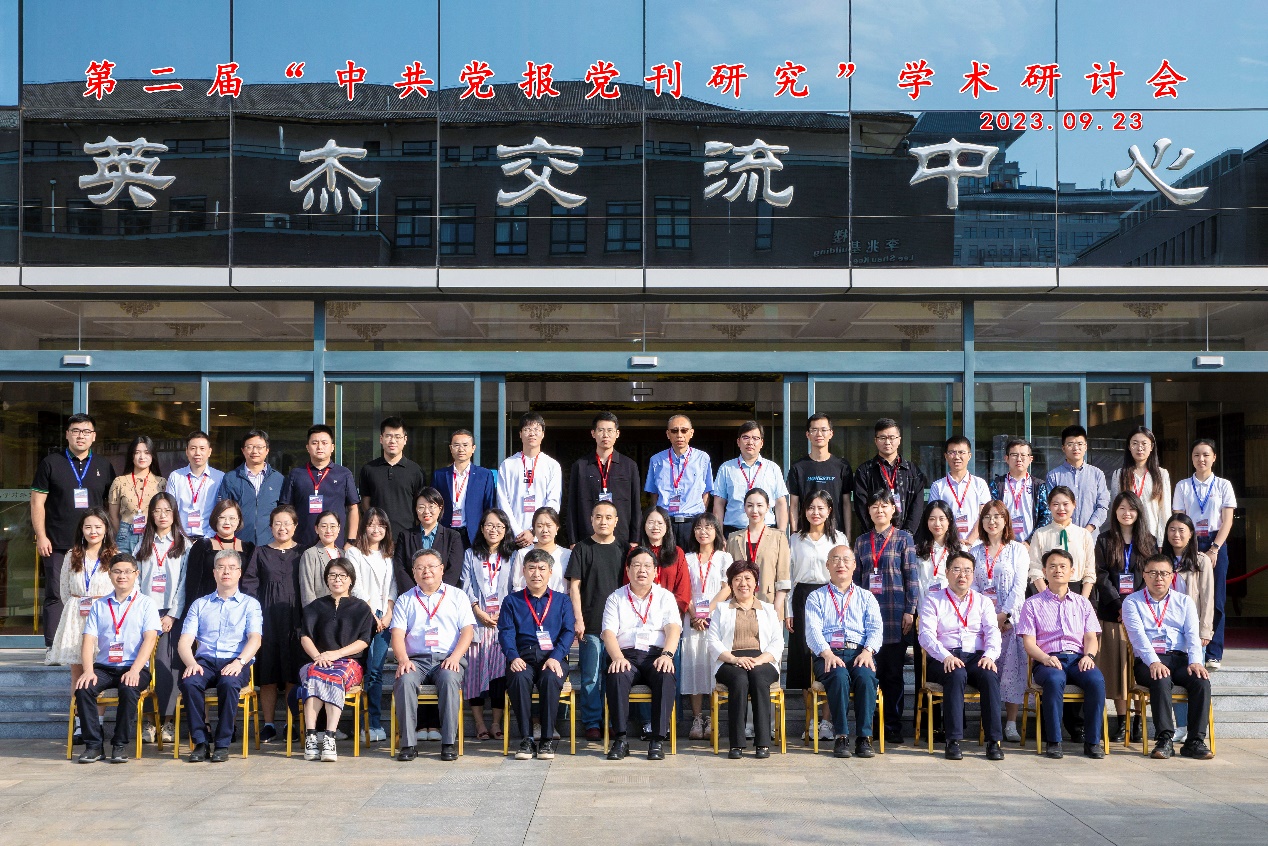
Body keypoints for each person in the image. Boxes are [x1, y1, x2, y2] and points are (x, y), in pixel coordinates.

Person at [32, 413, 117, 646]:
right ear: (67, 434)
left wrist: (110, 539)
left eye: (86, 431)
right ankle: (53, 647)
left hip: (94, 544)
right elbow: (37, 503)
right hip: (57, 541)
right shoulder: (51, 463)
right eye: (76, 431)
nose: (81, 436)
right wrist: (41, 536)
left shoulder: (104, 466)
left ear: (94, 436)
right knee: (56, 594)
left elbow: (111, 507)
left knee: (94, 594)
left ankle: (93, 645)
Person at [1122, 552, 1214, 760]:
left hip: (1179, 658)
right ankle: (1164, 739)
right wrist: (1154, 662)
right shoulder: (1132, 602)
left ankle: (1195, 741)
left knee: (1201, 681)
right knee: (1160, 677)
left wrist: (1196, 662)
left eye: (1164, 573)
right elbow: (1138, 638)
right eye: (1153, 573)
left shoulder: (1184, 601)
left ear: (1172, 576)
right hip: (1148, 661)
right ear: (1144, 575)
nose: (1159, 578)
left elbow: (1192, 635)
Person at [1017, 549, 1106, 759]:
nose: (1058, 570)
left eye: (1063, 566)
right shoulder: (1032, 604)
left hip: (1078, 659)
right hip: (1047, 660)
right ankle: (1054, 741)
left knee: (1096, 680)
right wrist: (1045, 658)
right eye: (1053, 566)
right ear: (1044, 571)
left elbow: (1091, 638)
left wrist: (1089, 657)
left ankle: (1093, 742)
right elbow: (1028, 642)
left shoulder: (1083, 603)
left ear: (1072, 572)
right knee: (1055, 679)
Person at [74, 552, 162, 764]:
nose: (122, 576)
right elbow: (88, 640)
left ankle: (119, 745)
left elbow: (150, 639)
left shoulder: (146, 604)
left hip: (135, 667)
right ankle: (94, 746)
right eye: (117, 572)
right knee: (84, 688)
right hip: (104, 667)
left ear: (136, 574)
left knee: (128, 689)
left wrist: (135, 670)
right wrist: (88, 670)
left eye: (127, 572)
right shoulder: (100, 605)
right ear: (110, 574)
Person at [176, 549, 262, 763]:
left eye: (232, 568)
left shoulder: (250, 604)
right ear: (214, 572)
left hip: (235, 660)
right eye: (221, 567)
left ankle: (223, 744)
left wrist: (240, 662)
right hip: (204, 662)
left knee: (229, 683)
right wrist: (191, 663)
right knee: (189, 682)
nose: (226, 572)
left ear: (239, 572)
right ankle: (200, 741)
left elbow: (255, 639)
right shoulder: (200, 604)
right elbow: (184, 641)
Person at [391, 548, 476, 762]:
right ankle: (408, 744)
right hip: (415, 660)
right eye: (420, 567)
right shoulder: (405, 599)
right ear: (413, 572)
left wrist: (455, 657)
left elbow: (467, 631)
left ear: (441, 569)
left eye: (431, 566)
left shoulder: (457, 596)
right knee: (404, 680)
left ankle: (448, 743)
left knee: (449, 680)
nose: (426, 571)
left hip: (448, 658)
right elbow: (397, 634)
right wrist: (403, 660)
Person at [918, 550, 1004, 760]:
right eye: (956, 569)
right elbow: (926, 635)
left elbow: (993, 631)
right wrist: (945, 656)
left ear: (973, 574)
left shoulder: (983, 601)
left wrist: (990, 656)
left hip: (975, 657)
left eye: (967, 570)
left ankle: (994, 742)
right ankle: (953, 740)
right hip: (943, 657)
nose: (962, 575)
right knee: (956, 674)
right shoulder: (933, 600)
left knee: (990, 676)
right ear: (947, 572)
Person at [602, 546, 682, 761]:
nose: (642, 570)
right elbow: (608, 633)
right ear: (627, 570)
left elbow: (673, 628)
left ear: (656, 571)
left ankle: (657, 740)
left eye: (647, 566)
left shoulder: (665, 597)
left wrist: (667, 655)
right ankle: (620, 739)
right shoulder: (616, 597)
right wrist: (617, 658)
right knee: (616, 675)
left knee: (666, 675)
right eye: (636, 565)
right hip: (626, 656)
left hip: (656, 655)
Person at [852, 489, 918, 744]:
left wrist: (910, 610)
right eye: (874, 506)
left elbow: (911, 578)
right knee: (870, 674)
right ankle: (870, 725)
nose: (879, 510)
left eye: (884, 506)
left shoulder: (904, 539)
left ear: (893, 510)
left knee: (893, 674)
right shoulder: (861, 542)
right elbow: (856, 582)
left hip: (894, 615)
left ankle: (892, 725)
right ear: (868, 511)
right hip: (868, 619)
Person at [804, 545, 882, 758]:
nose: (841, 564)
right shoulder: (816, 597)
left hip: (859, 653)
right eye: (835, 559)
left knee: (866, 677)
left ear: (854, 565)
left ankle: (864, 737)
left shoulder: (867, 597)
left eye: (846, 560)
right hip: (828, 654)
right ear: (827, 565)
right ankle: (841, 736)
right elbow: (812, 630)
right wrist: (827, 653)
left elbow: (876, 629)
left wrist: (868, 651)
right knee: (838, 677)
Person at [499, 548, 577, 760]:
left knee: (550, 679)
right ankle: (526, 739)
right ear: (523, 571)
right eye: (531, 568)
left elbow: (568, 632)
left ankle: (546, 740)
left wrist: (556, 657)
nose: (536, 574)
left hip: (552, 657)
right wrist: (513, 656)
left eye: (542, 568)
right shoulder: (512, 601)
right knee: (518, 678)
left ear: (550, 572)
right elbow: (506, 632)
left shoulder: (562, 601)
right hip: (522, 657)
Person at [46, 509, 115, 744]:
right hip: (76, 617)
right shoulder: (72, 555)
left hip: (103, 617)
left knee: (97, 672)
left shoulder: (114, 555)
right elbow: (64, 590)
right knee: (77, 674)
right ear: (81, 530)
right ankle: (79, 725)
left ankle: (97, 724)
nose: (93, 531)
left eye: (98, 527)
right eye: (88, 527)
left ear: (106, 529)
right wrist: (77, 608)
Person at [1094, 491, 1158, 743]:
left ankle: (1139, 721)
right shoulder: (1104, 540)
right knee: (1118, 670)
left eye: (1131, 509)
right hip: (1112, 613)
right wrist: (1120, 605)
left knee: (1136, 670)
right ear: (1115, 512)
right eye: (1121, 508)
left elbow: (1152, 575)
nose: (1126, 513)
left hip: (1141, 613)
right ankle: (1122, 722)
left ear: (1138, 512)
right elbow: (1101, 576)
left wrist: (1132, 606)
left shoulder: (1149, 541)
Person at [297, 558, 375, 762]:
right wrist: (318, 656)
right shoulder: (315, 606)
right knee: (313, 676)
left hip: (349, 662)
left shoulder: (361, 608)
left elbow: (364, 641)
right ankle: (312, 736)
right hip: (318, 660)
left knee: (334, 677)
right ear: (326, 579)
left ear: (351, 579)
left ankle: (329, 737)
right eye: (332, 575)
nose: (337, 579)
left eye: (342, 575)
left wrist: (336, 654)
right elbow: (305, 636)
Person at [787, 490, 849, 740]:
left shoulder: (839, 538)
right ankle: (810, 721)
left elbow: (845, 573)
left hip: (830, 597)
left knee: (829, 656)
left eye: (821, 508)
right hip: (802, 597)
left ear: (830, 510)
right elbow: (789, 577)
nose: (815, 513)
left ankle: (827, 721)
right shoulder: (795, 539)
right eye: (811, 508)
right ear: (804, 511)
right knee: (804, 660)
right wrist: (788, 610)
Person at [707, 559, 785, 759]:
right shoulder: (721, 609)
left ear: (755, 582)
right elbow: (713, 641)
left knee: (759, 678)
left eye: (748, 578)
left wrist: (759, 660)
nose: (743, 583)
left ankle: (763, 742)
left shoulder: (768, 609)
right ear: (731, 584)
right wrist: (734, 659)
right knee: (740, 680)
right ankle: (736, 743)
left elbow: (777, 642)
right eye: (737, 579)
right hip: (730, 660)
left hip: (762, 660)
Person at [241, 505, 304, 743]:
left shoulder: (303, 552)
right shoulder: (260, 552)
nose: (282, 528)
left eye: (287, 523)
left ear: (295, 526)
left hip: (295, 619)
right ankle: (268, 724)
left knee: (291, 673)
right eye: (277, 523)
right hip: (266, 620)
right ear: (270, 527)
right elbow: (250, 585)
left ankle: (290, 722)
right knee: (267, 674)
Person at [1172, 438, 1236, 670]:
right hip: (1189, 541)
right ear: (1191, 458)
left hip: (1215, 540)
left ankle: (1214, 652)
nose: (1201, 459)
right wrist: (1186, 547)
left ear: (1214, 458)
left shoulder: (1223, 485)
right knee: (1187, 595)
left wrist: (1214, 548)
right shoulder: (1183, 486)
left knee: (1215, 598)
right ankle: (1186, 647)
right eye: (1197, 455)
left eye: (1206, 455)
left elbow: (1227, 521)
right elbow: (1178, 518)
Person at [565, 501, 626, 742]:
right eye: (598, 517)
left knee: (614, 675)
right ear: (591, 519)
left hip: (618, 628)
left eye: (608, 517)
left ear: (616, 521)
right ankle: (592, 722)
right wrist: (578, 619)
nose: (603, 521)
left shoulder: (623, 549)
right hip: (590, 624)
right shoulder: (582, 548)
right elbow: (574, 587)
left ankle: (611, 721)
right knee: (591, 676)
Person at [969, 501, 1028, 744]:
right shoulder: (974, 552)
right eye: (987, 517)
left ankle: (1011, 723)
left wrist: (1004, 615)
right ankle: (989, 721)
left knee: (1012, 671)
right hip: (982, 622)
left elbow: (1019, 587)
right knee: (989, 671)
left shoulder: (1017, 550)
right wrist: (988, 619)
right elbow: (972, 587)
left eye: (997, 516)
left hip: (1011, 621)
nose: (992, 521)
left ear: (1006, 521)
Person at [135, 491, 190, 745]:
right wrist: (143, 613)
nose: (162, 515)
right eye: (157, 511)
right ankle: (148, 721)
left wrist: (172, 615)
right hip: (145, 613)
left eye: (167, 510)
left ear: (175, 514)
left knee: (168, 666)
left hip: (171, 615)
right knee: (145, 665)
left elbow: (184, 583)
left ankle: (168, 721)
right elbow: (135, 580)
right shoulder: (142, 543)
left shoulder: (184, 545)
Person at [461, 508, 518, 741]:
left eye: (499, 526)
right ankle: (479, 723)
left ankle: (495, 723)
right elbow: (465, 584)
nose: (494, 530)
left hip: (502, 621)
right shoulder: (470, 554)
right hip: (476, 621)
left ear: (505, 530)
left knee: (498, 674)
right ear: (482, 528)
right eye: (489, 525)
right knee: (473, 673)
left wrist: (503, 613)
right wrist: (477, 610)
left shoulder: (513, 556)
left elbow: (516, 587)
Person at [346, 507, 398, 743]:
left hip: (384, 615)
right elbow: (355, 586)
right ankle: (359, 724)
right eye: (371, 524)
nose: (376, 529)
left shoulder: (389, 554)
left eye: (381, 525)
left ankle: (374, 723)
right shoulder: (354, 553)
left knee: (376, 671)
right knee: (360, 670)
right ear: (363, 527)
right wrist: (373, 616)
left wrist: (388, 612)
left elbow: (393, 586)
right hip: (361, 615)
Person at [682, 513, 733, 740]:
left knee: (714, 665)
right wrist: (695, 614)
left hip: (716, 617)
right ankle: (696, 718)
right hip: (691, 618)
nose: (703, 531)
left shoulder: (724, 557)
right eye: (699, 527)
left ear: (716, 531)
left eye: (708, 527)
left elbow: (727, 588)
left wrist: (706, 612)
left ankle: (713, 717)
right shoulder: (687, 558)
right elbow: (683, 589)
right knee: (694, 664)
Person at [566, 412, 642, 548]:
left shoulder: (629, 466)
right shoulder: (580, 466)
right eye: (601, 430)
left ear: (617, 434)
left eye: (610, 430)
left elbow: (636, 505)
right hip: (587, 538)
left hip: (621, 538)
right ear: (593, 433)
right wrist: (573, 540)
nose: (605, 435)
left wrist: (635, 539)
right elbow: (572, 505)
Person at [280, 424, 360, 548]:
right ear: (307, 447)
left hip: (335, 545)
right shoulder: (296, 474)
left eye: (324, 443)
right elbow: (286, 509)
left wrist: (351, 541)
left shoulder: (344, 474)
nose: (319, 447)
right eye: (314, 443)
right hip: (301, 544)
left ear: (332, 447)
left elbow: (353, 508)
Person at [645, 414, 715, 548]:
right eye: (674, 431)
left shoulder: (703, 458)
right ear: (668, 434)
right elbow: (653, 494)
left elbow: (706, 492)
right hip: (666, 523)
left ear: (691, 433)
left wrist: (700, 519)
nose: (679, 435)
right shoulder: (656, 460)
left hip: (693, 522)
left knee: (692, 559)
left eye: (684, 430)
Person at [357, 417, 427, 549]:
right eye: (388, 436)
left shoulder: (415, 470)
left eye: (397, 437)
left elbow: (421, 504)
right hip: (377, 539)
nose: (392, 441)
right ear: (381, 439)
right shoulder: (369, 469)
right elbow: (365, 503)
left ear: (405, 440)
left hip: (408, 537)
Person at [712, 420, 789, 536]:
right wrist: (720, 535)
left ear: (761, 443)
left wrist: (781, 534)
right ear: (738, 442)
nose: (750, 442)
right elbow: (719, 503)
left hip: (767, 531)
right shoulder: (726, 468)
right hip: (734, 531)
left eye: (755, 438)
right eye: (746, 437)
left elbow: (780, 503)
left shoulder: (773, 468)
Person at [497, 413, 562, 549]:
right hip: (513, 538)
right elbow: (502, 501)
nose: (532, 433)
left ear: (543, 434)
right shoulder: (508, 465)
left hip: (542, 536)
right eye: (527, 429)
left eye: (536, 430)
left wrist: (534, 531)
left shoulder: (552, 465)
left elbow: (553, 501)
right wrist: (517, 532)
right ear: (520, 434)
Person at [852, 418, 927, 536]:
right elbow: (861, 506)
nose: (887, 442)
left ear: (899, 440)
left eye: (892, 437)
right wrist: (877, 532)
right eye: (882, 438)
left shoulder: (912, 471)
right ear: (875, 441)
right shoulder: (865, 471)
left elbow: (917, 505)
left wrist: (906, 534)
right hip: (874, 536)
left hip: (906, 537)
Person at [723, 488, 790, 613]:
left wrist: (776, 609)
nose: (754, 510)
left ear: (768, 507)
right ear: (744, 508)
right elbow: (729, 576)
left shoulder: (779, 537)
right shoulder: (733, 538)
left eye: (759, 505)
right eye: (750, 505)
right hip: (739, 604)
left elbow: (783, 576)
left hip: (769, 603)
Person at [787, 412, 853, 536]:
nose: (819, 434)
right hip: (806, 534)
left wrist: (848, 536)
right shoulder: (798, 467)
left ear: (831, 433)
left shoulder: (842, 466)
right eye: (814, 430)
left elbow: (846, 503)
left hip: (835, 533)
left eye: (823, 430)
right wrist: (794, 535)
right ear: (807, 434)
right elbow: (794, 505)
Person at [215, 429, 283, 547]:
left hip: (270, 543)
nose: (254, 451)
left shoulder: (278, 479)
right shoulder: (231, 478)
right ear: (243, 450)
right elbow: (223, 511)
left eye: (259, 447)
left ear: (267, 450)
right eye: (249, 447)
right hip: (238, 542)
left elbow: (283, 511)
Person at [393, 487, 465, 595]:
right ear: (415, 509)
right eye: (421, 507)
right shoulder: (405, 536)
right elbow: (400, 568)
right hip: (412, 597)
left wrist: (436, 594)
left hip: (443, 597)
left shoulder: (453, 537)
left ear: (440, 508)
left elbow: (454, 570)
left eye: (431, 506)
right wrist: (415, 594)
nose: (426, 511)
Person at [1028, 486, 1096, 597]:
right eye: (1056, 504)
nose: (1061, 508)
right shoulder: (1040, 534)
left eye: (1065, 504)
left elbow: (1089, 571)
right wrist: (1048, 597)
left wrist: (1083, 601)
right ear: (1049, 506)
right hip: (1047, 592)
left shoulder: (1084, 534)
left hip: (1079, 592)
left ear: (1074, 504)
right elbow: (1035, 569)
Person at [433, 429, 496, 548]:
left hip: (473, 533)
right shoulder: (440, 475)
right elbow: (434, 504)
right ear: (451, 448)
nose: (461, 449)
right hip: (446, 532)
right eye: (456, 445)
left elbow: (489, 506)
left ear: (473, 448)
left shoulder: (484, 475)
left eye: (465, 445)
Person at [1109, 427, 1171, 545]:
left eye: (1144, 443)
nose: (1139, 447)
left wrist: (1162, 541)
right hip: (1126, 538)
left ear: (1151, 447)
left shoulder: (1161, 474)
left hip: (1151, 536)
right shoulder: (1119, 474)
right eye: (1135, 443)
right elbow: (1115, 508)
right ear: (1129, 447)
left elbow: (1165, 510)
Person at [185, 499, 254, 606]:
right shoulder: (202, 546)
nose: (227, 522)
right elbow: (192, 583)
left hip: (239, 607)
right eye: (222, 517)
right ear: (215, 519)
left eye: (232, 518)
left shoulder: (248, 548)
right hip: (207, 605)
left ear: (239, 520)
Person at [1163, 514, 1215, 651]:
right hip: (1165, 625)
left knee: (1193, 664)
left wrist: (1205, 630)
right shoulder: (1160, 560)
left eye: (1181, 530)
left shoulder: (1201, 560)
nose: (1176, 534)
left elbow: (1207, 597)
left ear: (1191, 534)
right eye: (1172, 529)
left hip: (1191, 626)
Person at [927, 436, 992, 545]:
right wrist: (952, 541)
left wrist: (970, 540)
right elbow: (934, 516)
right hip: (947, 545)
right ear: (946, 456)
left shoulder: (980, 484)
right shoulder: (937, 486)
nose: (957, 457)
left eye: (961, 452)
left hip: (976, 545)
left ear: (969, 456)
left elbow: (985, 514)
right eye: (952, 452)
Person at [1045, 425, 1110, 533]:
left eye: (1080, 444)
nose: (1076, 448)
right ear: (1063, 448)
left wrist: (1087, 531)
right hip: (1061, 536)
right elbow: (1049, 507)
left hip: (1090, 537)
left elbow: (1102, 506)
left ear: (1086, 447)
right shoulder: (1053, 476)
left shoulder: (1097, 474)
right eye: (1070, 444)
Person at [107, 435, 166, 550]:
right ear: (131, 456)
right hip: (125, 534)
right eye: (137, 452)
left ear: (152, 455)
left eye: (146, 452)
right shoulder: (119, 481)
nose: (142, 457)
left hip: (152, 534)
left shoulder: (162, 482)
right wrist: (122, 532)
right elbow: (113, 516)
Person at [632, 506, 692, 618]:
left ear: (667, 526)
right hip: (639, 615)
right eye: (651, 522)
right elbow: (628, 585)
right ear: (644, 525)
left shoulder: (677, 553)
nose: (655, 527)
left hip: (669, 615)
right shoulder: (634, 552)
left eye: (660, 523)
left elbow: (683, 589)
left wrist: (666, 613)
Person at [989, 437, 1051, 544]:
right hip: (1003, 543)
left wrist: (1030, 541)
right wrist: (1002, 540)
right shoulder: (997, 485)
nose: (1019, 459)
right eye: (1014, 455)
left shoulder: (1038, 486)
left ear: (1030, 459)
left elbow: (1046, 516)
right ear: (1006, 458)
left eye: (1023, 455)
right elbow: (991, 514)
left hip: (1031, 545)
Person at [167, 430, 224, 540]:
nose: (197, 453)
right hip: (180, 538)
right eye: (193, 448)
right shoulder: (176, 476)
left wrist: (207, 538)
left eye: (202, 448)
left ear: (209, 452)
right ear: (187, 451)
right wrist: (179, 537)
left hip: (210, 538)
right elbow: (170, 509)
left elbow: (221, 511)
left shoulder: (219, 478)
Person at [510, 506, 571, 593]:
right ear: (534, 529)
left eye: (549, 525)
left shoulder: (567, 555)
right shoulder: (523, 553)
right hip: (528, 601)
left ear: (557, 528)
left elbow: (570, 588)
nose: (544, 530)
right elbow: (517, 585)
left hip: (559, 601)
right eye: (540, 526)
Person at [913, 500, 962, 603]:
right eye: (932, 519)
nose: (937, 523)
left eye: (942, 519)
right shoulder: (917, 550)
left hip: (952, 607)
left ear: (949, 521)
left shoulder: (960, 550)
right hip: (925, 607)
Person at [298, 511, 344, 606]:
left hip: (344, 610)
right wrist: (313, 613)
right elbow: (307, 591)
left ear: (339, 529)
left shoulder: (344, 554)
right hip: (321, 610)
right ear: (316, 529)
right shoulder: (310, 554)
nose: (328, 530)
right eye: (324, 526)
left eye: (333, 526)